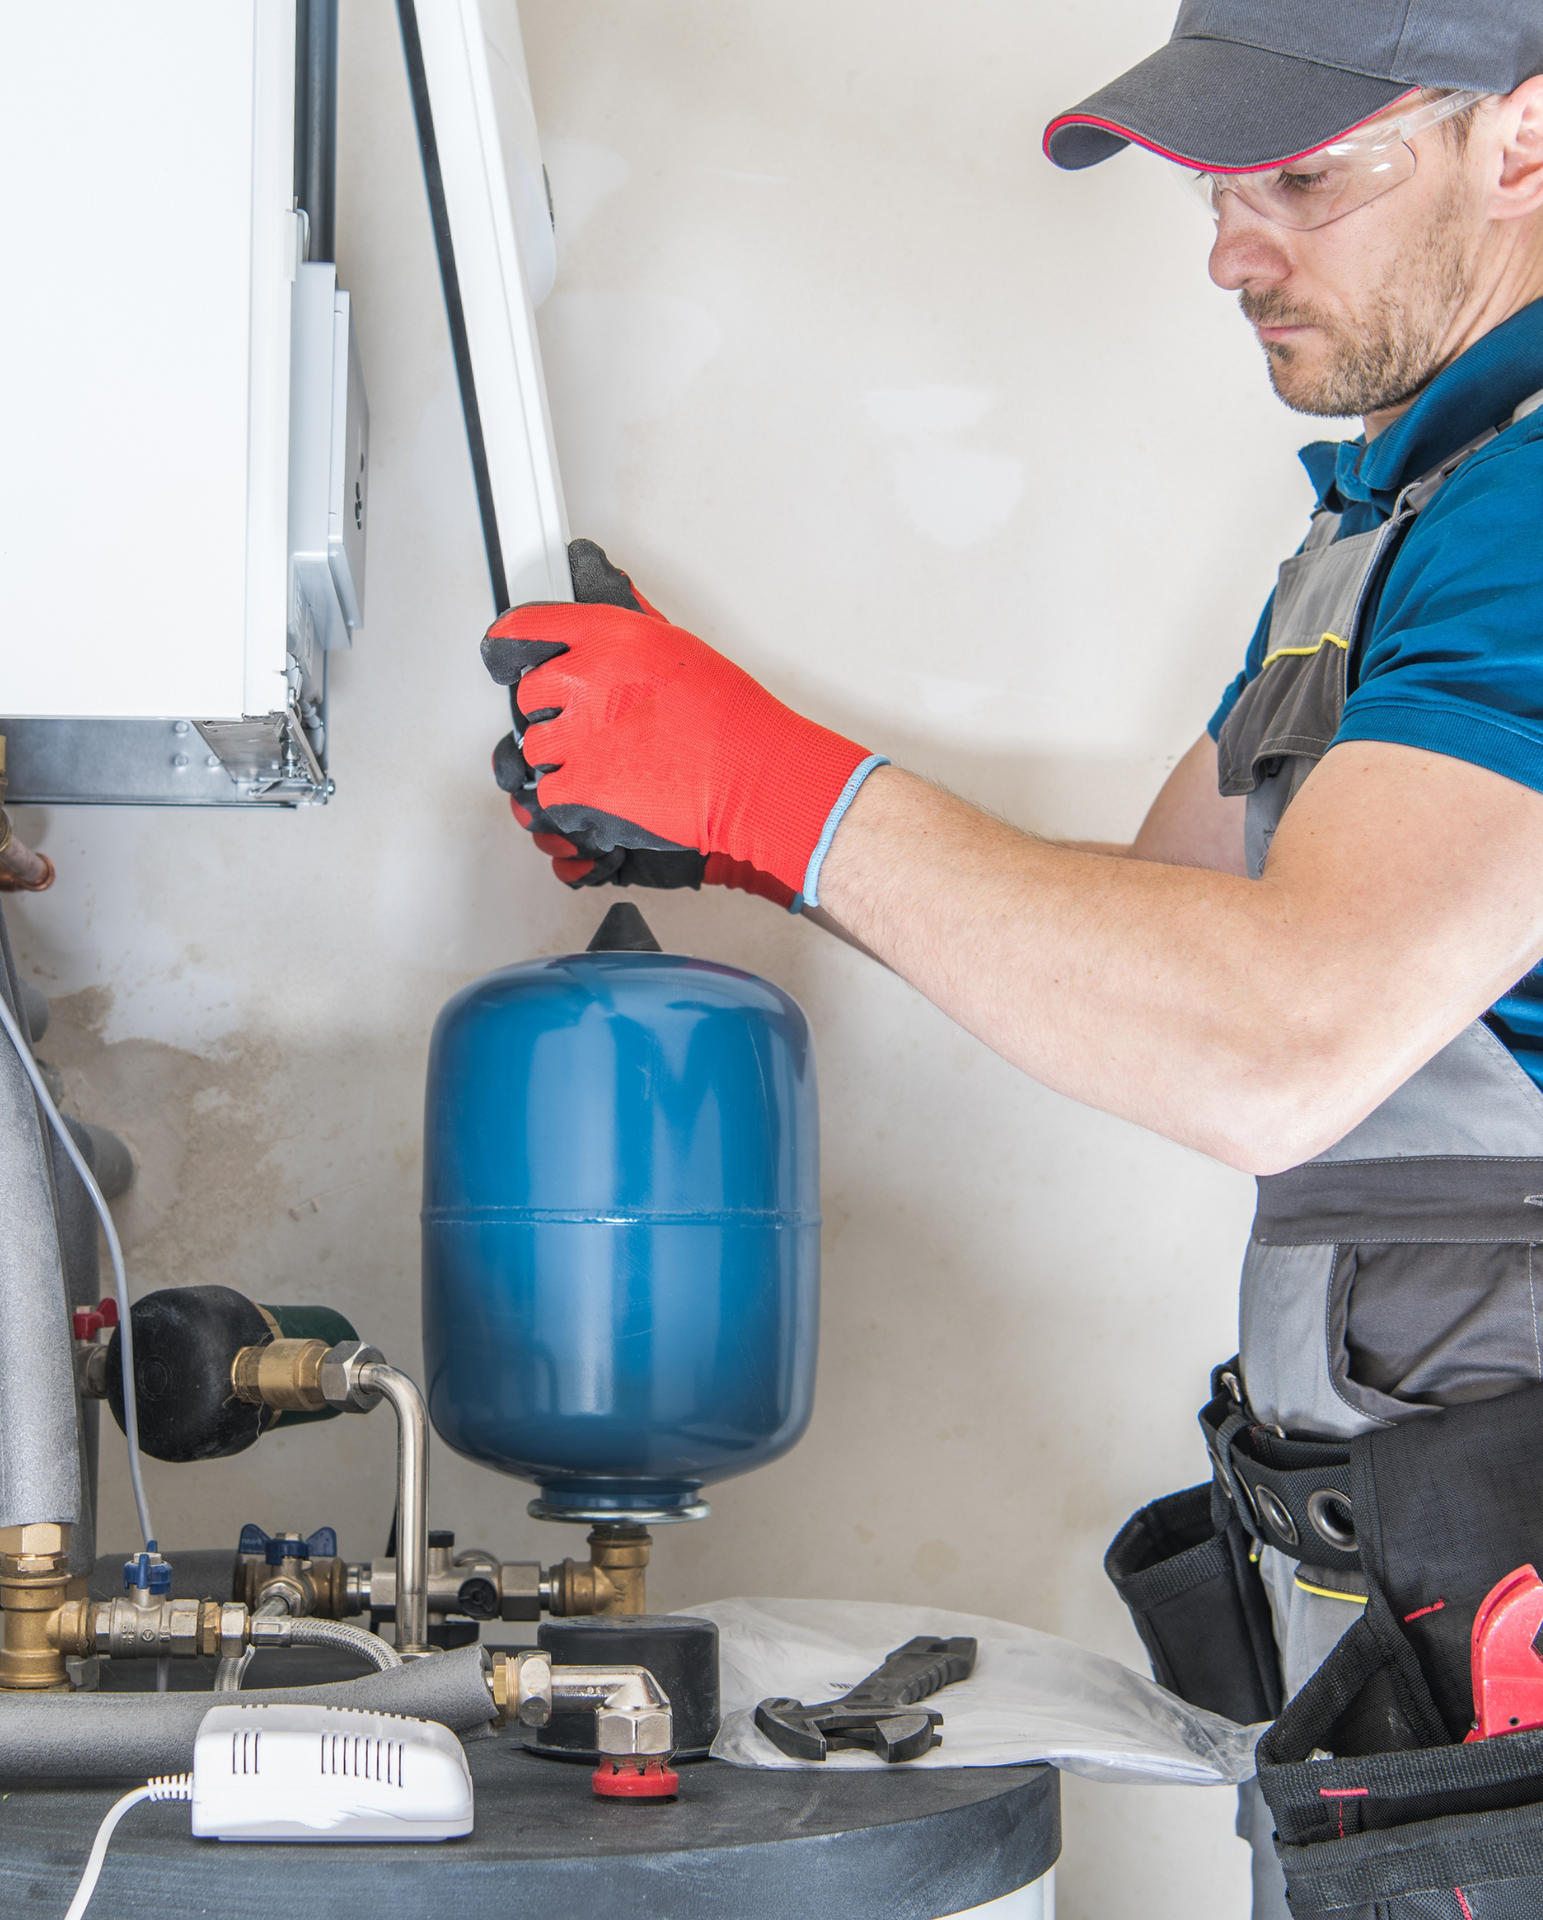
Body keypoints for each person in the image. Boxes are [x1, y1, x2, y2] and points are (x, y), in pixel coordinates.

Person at [480, 4, 1543, 1911]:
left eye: (1300, 175)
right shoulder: (1410, 525)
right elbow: (1154, 941)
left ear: (1521, 142)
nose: (1227, 246)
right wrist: (738, 833)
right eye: (1214, 185)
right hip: (1434, 1592)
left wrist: (785, 783)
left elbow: (1271, 1039)